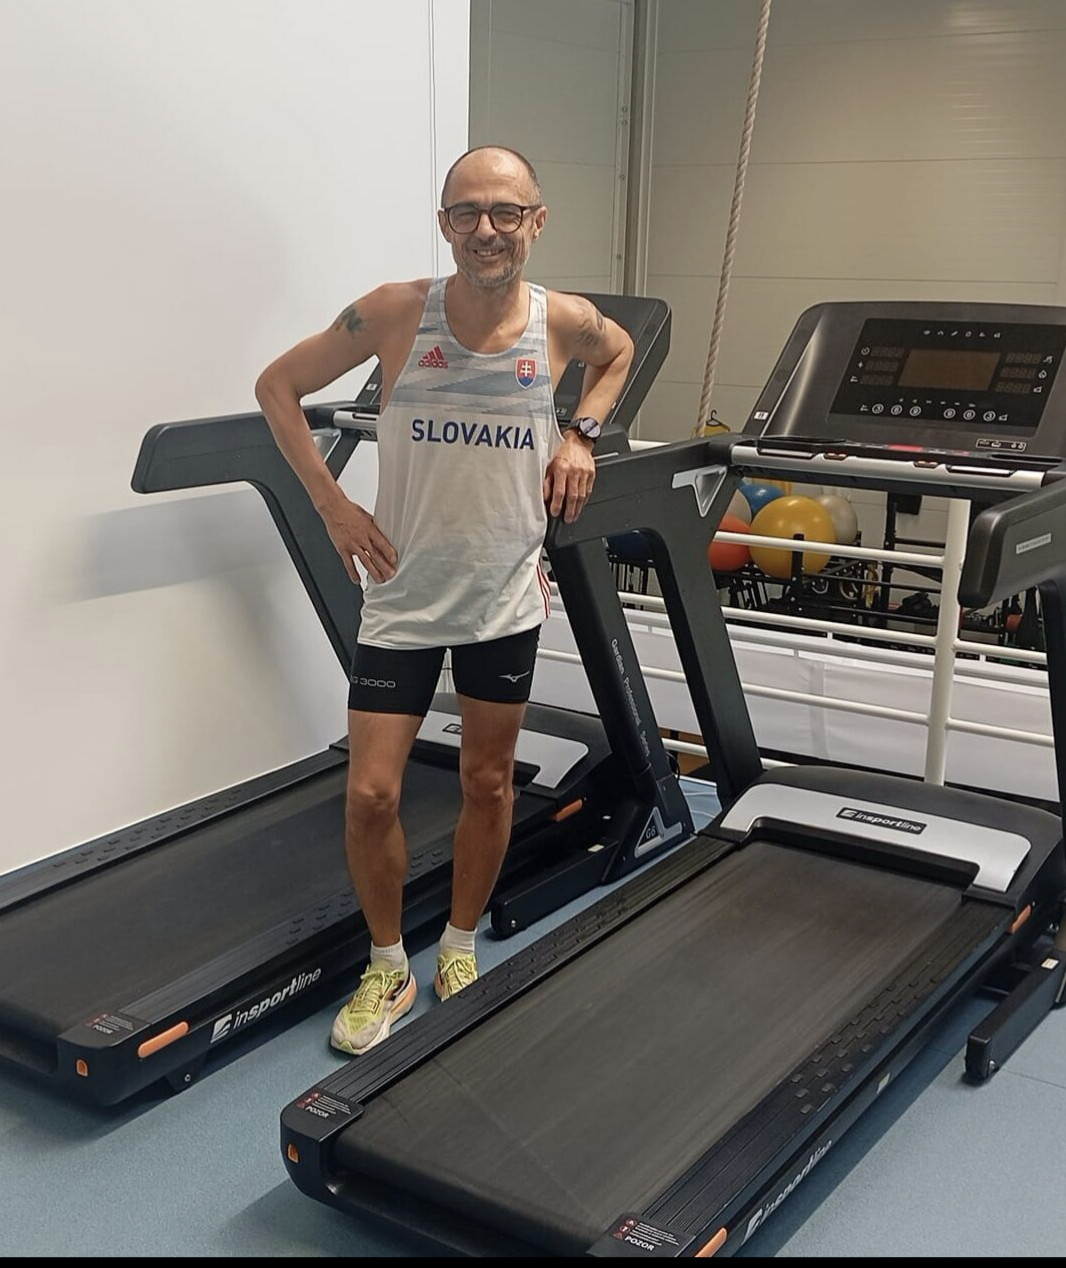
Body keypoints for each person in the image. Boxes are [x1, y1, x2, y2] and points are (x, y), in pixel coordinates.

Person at [253, 145, 634, 1055]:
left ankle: (458, 949)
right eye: (467, 212)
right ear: (444, 223)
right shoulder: (396, 312)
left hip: (502, 597)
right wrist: (332, 504)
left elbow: (619, 352)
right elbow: (277, 387)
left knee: (488, 782)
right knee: (370, 794)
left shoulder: (560, 321)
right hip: (404, 595)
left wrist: (581, 434)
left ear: (536, 221)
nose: (485, 230)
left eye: (506, 212)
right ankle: (387, 965)